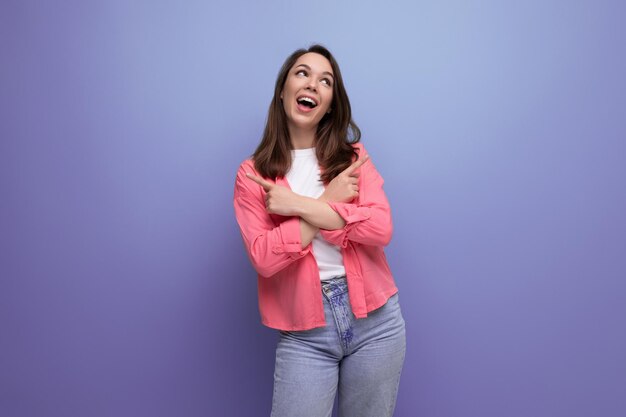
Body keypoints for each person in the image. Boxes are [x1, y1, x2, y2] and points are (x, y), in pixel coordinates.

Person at [233, 44, 406, 417]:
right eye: (302, 73)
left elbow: (380, 228)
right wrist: (331, 203)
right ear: (283, 90)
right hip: (305, 332)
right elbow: (264, 257)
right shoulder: (253, 175)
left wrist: (298, 205)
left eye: (325, 81)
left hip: (376, 322)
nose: (312, 84)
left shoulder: (353, 158)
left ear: (330, 103)